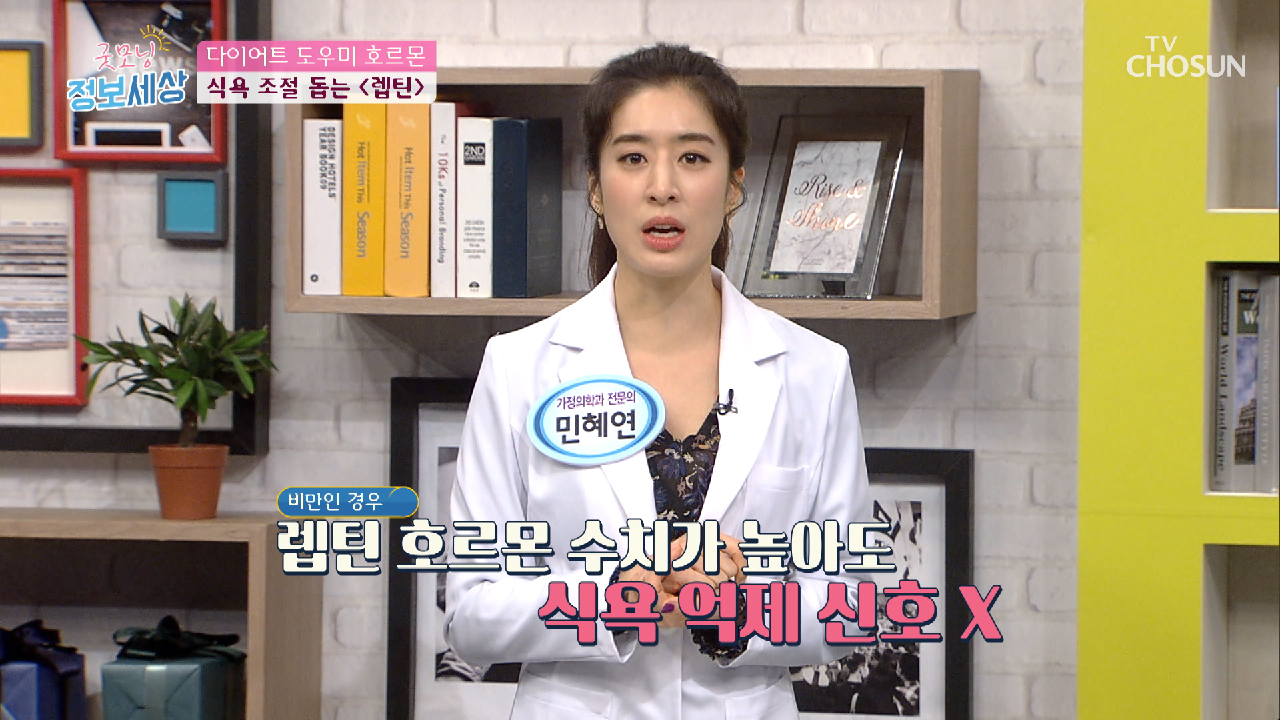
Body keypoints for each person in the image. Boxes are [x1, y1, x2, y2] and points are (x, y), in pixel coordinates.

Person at [444, 43, 872, 720]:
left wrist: (740, 611)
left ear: (734, 185)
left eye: (693, 158)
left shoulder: (813, 369)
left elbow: (852, 607)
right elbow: (470, 615)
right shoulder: (519, 367)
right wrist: (614, 598)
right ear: (596, 186)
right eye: (633, 158)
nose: (662, 186)